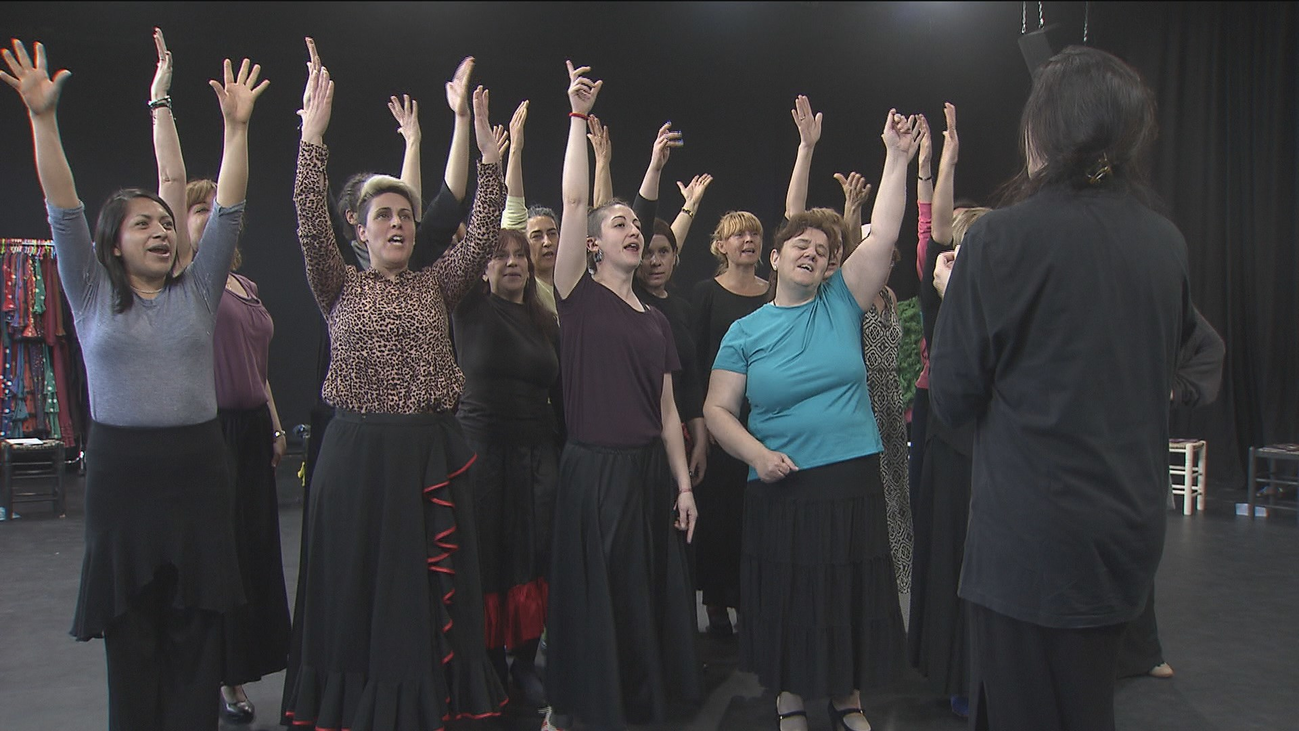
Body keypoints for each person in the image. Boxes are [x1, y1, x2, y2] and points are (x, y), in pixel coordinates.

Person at [927, 46, 1198, 731]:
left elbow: (952, 394)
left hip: (1025, 538)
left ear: (1042, 129)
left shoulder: (1000, 240)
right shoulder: (1163, 242)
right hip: (1124, 530)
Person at [5, 37, 265, 730]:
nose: (159, 230)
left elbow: (231, 206)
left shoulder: (199, 290)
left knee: (195, 627)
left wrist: (236, 129)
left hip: (195, 471)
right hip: (123, 478)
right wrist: (42, 119)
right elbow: (61, 204)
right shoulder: (90, 294)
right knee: (134, 632)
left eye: (164, 222)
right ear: (112, 242)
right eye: (141, 222)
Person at [281, 45, 507, 730]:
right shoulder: (336, 283)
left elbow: (485, 229)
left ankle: (426, 698)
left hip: (430, 455)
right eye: (383, 215)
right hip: (354, 456)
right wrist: (312, 138)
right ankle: (356, 702)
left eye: (404, 216)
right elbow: (307, 215)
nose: (398, 223)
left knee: (423, 589)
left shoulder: (440, 283)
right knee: (354, 586)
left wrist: (491, 163)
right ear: (359, 230)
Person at [704, 109, 917, 731]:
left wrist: (897, 159)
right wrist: (756, 456)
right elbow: (717, 410)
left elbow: (882, 236)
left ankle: (847, 697)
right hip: (782, 483)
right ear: (774, 258)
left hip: (849, 478)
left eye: (822, 250)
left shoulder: (841, 301)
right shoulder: (746, 330)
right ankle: (790, 697)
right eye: (800, 244)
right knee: (792, 601)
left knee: (844, 597)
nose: (812, 252)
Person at [542, 61, 700, 731]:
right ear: (592, 245)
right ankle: (570, 704)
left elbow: (666, 409)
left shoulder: (655, 319)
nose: (633, 230)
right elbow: (576, 200)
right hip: (593, 470)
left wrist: (683, 486)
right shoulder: (577, 295)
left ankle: (635, 702)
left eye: (637, 226)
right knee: (592, 595)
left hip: (643, 474)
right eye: (620, 226)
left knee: (642, 598)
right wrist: (576, 117)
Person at [452, 228, 561, 708]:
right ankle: (489, 659)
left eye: (521, 255)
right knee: (487, 557)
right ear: (482, 264)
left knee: (533, 555)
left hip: (537, 452)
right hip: (482, 454)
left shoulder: (545, 321)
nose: (513, 262)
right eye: (501, 255)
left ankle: (523, 659)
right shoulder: (467, 309)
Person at [1115, 304, 1224, 681]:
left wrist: (1174, 389)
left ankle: (1142, 650)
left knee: (1136, 543)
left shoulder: (1156, 290)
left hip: (1138, 439)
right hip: (1090, 436)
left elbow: (1210, 347)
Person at [911, 203, 990, 721]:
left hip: (989, 452)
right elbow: (930, 234)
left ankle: (975, 672)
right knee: (947, 555)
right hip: (951, 446)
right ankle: (952, 671)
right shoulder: (943, 298)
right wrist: (926, 169)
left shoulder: (999, 301)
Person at [690, 208, 769, 636]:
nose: (748, 241)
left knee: (755, 514)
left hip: (765, 420)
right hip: (721, 421)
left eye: (754, 233)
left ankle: (751, 600)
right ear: (721, 246)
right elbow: (697, 362)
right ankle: (718, 604)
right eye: (738, 235)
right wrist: (704, 428)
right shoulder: (706, 293)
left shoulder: (773, 292)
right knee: (720, 514)